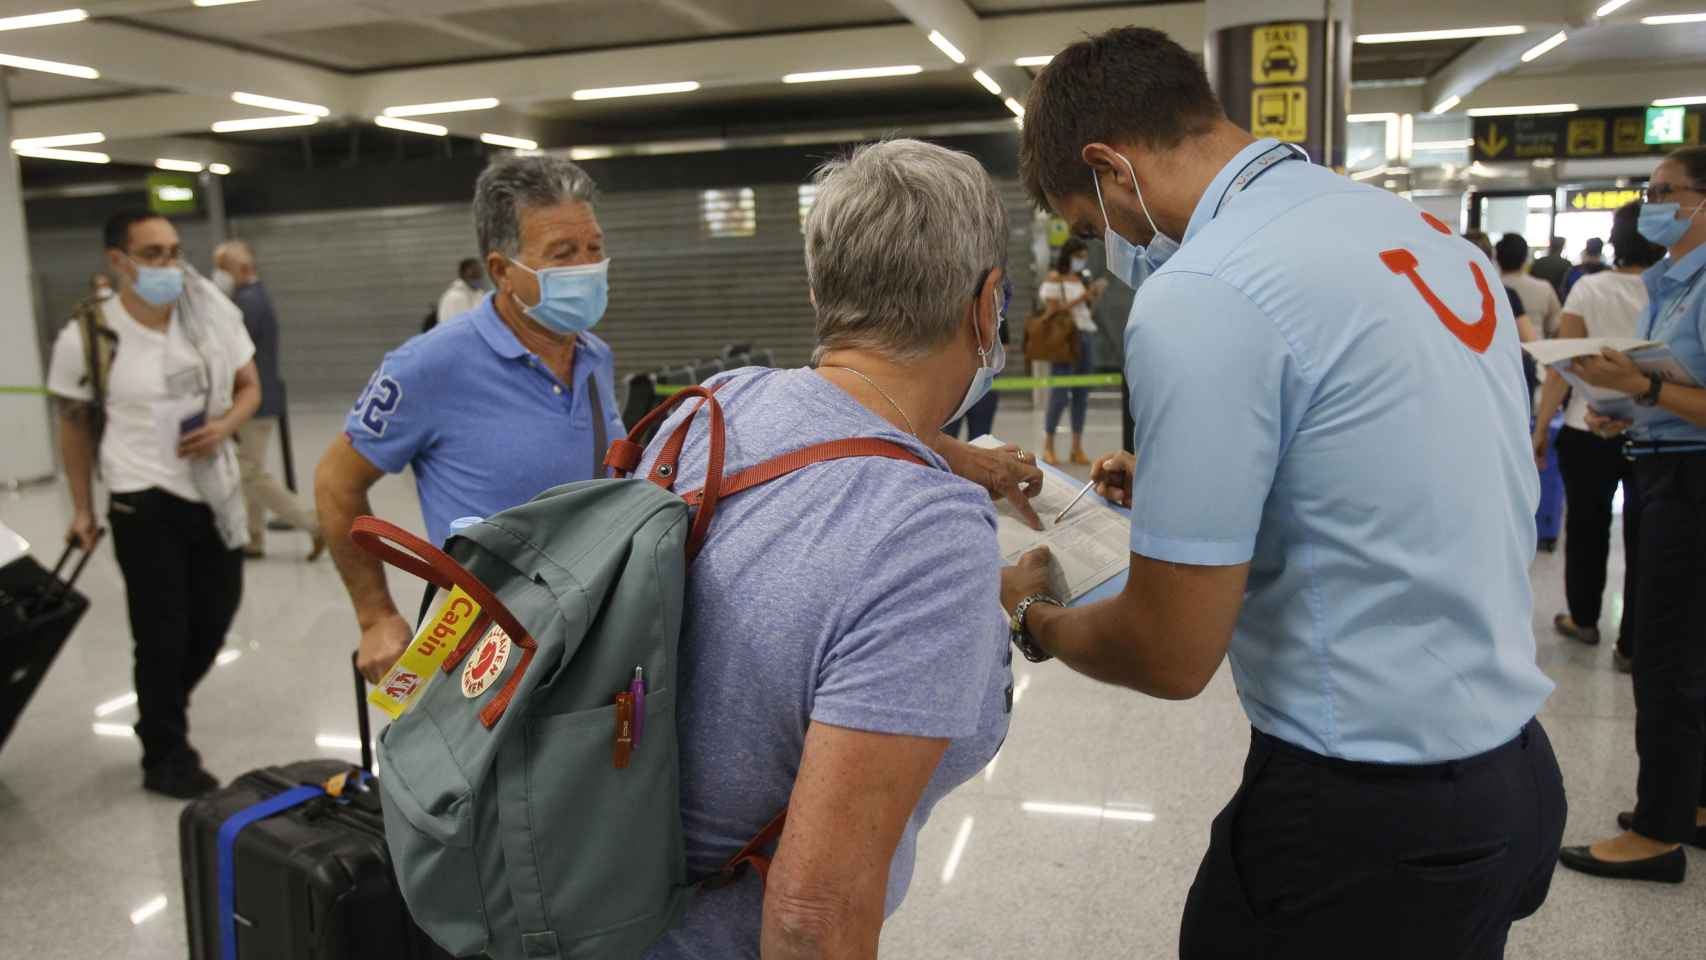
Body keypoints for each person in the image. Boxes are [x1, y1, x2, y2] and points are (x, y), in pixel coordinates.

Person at [1007, 27, 1561, 957]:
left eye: (1097, 224)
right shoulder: (1417, 233)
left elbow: (1171, 652)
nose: (1113, 249)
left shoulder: (1208, 287)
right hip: (1511, 778)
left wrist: (1034, 615)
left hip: (1365, 820)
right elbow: (1410, 453)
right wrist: (1204, 489)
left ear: (1110, 166)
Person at [639, 138, 1021, 959]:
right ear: (988, 305)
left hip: (592, 909)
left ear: (820, 287)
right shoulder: (932, 532)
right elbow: (812, 919)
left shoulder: (711, 409)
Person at [316, 156, 627, 683]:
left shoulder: (594, 355)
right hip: (488, 655)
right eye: (563, 253)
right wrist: (375, 617)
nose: (587, 267)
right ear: (502, 270)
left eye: (593, 248)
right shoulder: (429, 366)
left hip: (593, 634)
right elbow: (335, 482)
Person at [47, 210, 259, 799]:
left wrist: (223, 427)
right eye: (155, 254)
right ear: (119, 261)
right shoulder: (88, 336)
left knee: (216, 613)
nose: (172, 265)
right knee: (160, 632)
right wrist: (83, 509)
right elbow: (74, 425)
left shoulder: (206, 318)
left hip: (211, 492)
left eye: (174, 250)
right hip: (140, 497)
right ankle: (164, 753)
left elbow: (251, 387)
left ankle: (161, 706)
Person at [1559, 145, 1706, 884]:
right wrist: (1629, 407)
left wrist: (1645, 395)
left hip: (1693, 480)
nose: (1650, 204)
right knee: (1686, 654)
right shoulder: (1673, 283)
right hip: (1660, 464)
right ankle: (1695, 802)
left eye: (1664, 191)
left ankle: (1658, 832)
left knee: (1670, 656)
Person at [1531, 202, 1664, 669]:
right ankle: (1632, 642)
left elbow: (1563, 366)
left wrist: (1541, 426)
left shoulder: (1589, 289)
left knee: (1586, 528)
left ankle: (1585, 619)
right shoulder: (1670, 288)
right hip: (1656, 426)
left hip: (1586, 426)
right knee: (1645, 537)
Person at [212, 240, 324, 561]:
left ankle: (314, 523)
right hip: (262, 397)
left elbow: (230, 356)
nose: (220, 275)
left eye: (223, 268)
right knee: (250, 467)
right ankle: (253, 538)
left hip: (253, 401)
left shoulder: (245, 304)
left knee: (247, 471)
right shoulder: (254, 298)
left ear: (241, 269)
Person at [1039, 237, 1102, 464]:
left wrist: (1092, 296)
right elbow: (1053, 311)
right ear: (1069, 255)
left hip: (1085, 335)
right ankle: (1049, 444)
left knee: (1081, 395)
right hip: (1065, 338)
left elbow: (1086, 312)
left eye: (1084, 257)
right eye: (1079, 257)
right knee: (1059, 393)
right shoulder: (1055, 278)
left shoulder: (1081, 278)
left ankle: (1076, 447)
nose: (1082, 261)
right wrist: (1082, 297)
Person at [1499, 233, 1563, 337]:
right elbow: (1555, 326)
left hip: (1498, 350)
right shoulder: (1544, 288)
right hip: (1536, 349)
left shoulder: (1489, 288)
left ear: (1497, 257)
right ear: (1525, 258)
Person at [435, 257, 485, 327]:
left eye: (479, 273)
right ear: (462, 275)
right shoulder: (454, 297)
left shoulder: (479, 294)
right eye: (474, 274)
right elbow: (456, 326)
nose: (477, 277)